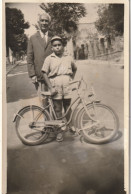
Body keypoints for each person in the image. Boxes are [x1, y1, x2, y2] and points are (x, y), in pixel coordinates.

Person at [41, 36, 77, 142]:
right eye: (55, 46)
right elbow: (44, 73)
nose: (57, 47)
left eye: (59, 45)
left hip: (66, 85)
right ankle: (59, 131)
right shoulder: (49, 59)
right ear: (52, 48)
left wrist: (71, 79)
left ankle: (70, 125)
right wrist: (51, 87)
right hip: (55, 86)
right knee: (57, 109)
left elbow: (74, 69)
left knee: (68, 106)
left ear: (63, 46)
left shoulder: (68, 57)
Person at [27, 12, 52, 106]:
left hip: (53, 76)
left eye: (46, 21)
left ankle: (55, 120)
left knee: (56, 103)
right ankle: (47, 120)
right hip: (40, 77)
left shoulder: (53, 37)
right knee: (44, 103)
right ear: (38, 22)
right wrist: (32, 75)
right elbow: (29, 58)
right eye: (42, 20)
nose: (44, 23)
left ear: (49, 23)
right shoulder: (33, 38)